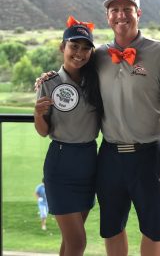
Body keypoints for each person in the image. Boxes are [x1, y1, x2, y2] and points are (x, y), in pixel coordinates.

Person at [35, 0, 160, 256]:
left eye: (126, 9)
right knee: (111, 227)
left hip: (150, 155)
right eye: (114, 9)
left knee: (153, 229)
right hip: (109, 156)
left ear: (138, 13)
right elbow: (73, 66)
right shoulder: (98, 56)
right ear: (107, 16)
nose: (120, 15)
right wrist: (46, 78)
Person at [34, 16, 103, 256]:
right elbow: (43, 132)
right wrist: (38, 114)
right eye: (74, 46)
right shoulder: (49, 83)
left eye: (86, 49)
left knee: (70, 242)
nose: (79, 53)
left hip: (88, 161)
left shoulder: (97, 80)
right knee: (78, 243)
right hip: (61, 163)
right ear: (63, 47)